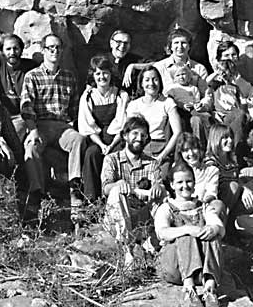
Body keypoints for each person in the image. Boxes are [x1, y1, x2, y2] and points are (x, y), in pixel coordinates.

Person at [21, 34, 86, 206]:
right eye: (50, 48)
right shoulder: (32, 76)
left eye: (58, 47)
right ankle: (37, 192)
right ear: (43, 51)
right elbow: (26, 106)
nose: (54, 51)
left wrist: (73, 126)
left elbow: (74, 107)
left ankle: (75, 187)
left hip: (62, 126)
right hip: (40, 124)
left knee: (78, 140)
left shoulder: (69, 77)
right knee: (31, 148)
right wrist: (32, 129)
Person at [155, 161, 225, 307]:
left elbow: (220, 228)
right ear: (172, 185)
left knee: (212, 234)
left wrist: (214, 228)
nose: (185, 186)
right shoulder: (167, 207)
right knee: (185, 234)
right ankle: (189, 288)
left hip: (202, 270)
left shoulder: (203, 206)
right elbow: (162, 232)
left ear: (194, 183)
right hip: (176, 269)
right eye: (179, 182)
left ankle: (210, 288)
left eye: (188, 181)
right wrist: (187, 229)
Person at [102, 116, 165, 243]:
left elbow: (158, 184)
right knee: (115, 191)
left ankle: (158, 241)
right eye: (135, 133)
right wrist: (117, 185)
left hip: (142, 218)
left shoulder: (152, 163)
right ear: (125, 136)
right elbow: (106, 188)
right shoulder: (112, 159)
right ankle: (125, 246)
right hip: (118, 218)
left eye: (143, 135)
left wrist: (158, 187)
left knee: (163, 197)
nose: (139, 138)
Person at [78, 55, 129, 201]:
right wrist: (101, 145)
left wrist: (111, 145)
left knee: (120, 155)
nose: (102, 77)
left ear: (111, 73)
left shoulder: (120, 95)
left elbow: (122, 123)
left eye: (105, 72)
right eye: (98, 73)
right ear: (93, 76)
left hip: (117, 138)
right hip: (97, 139)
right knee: (91, 154)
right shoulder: (87, 96)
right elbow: (87, 125)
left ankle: (119, 198)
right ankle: (92, 201)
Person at [126, 66, 183, 176]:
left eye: (155, 79)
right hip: (139, 147)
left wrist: (162, 155)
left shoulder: (167, 103)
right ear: (141, 84)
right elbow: (128, 133)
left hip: (161, 149)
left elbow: (177, 132)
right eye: (147, 80)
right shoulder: (134, 105)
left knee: (161, 180)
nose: (151, 83)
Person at [0, 33, 38, 140]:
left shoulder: (30, 66)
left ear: (21, 49)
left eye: (16, 48)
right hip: (1, 114)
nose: (12, 52)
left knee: (13, 136)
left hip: (21, 116)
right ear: (2, 51)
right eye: (8, 49)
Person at [205, 124, 246, 230]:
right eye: (225, 137)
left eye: (231, 137)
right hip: (214, 202)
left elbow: (238, 182)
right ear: (216, 139)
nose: (230, 140)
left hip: (231, 204)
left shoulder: (232, 163)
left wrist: (245, 188)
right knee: (233, 186)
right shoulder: (210, 161)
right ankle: (224, 227)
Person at [153, 29, 209, 94]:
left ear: (189, 46)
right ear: (170, 46)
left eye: (183, 43)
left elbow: (206, 94)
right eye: (176, 43)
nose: (180, 46)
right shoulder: (159, 67)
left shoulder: (199, 69)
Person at [166, 64, 211, 144]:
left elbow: (196, 101)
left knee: (201, 118)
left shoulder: (193, 88)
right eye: (178, 75)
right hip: (179, 110)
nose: (181, 77)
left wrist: (196, 105)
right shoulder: (173, 88)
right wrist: (182, 105)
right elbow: (170, 100)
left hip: (191, 109)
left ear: (189, 76)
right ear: (174, 78)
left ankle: (201, 143)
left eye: (183, 74)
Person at [174, 133, 219, 204]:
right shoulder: (176, 171)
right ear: (181, 153)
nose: (191, 153)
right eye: (186, 150)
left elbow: (211, 193)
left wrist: (200, 204)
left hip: (203, 207)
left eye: (194, 148)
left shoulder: (211, 170)